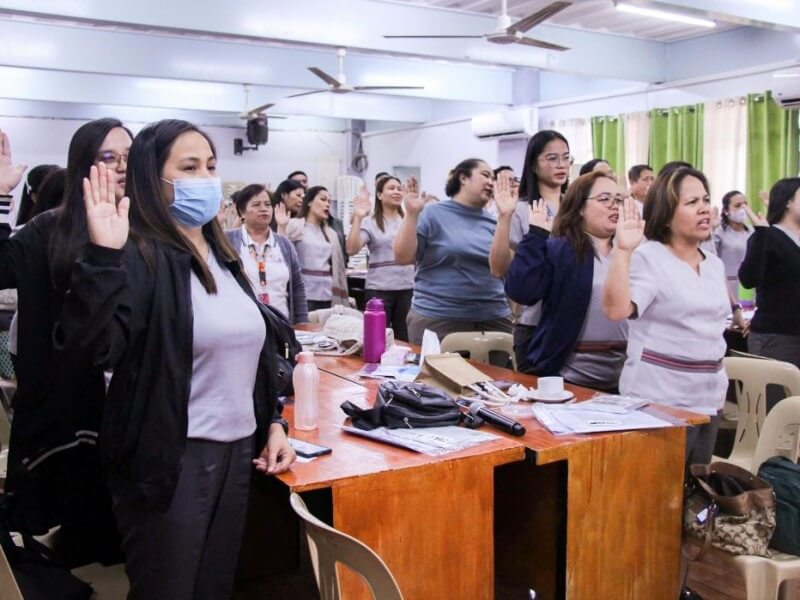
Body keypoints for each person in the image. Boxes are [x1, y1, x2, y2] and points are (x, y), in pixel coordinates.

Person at [55, 119, 296, 599]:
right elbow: (91, 349)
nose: (205, 178)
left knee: (215, 587)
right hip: (171, 457)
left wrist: (273, 422)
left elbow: (252, 355)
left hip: (238, 451)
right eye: (189, 167)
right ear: (153, 178)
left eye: (210, 166)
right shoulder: (138, 255)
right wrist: (102, 257)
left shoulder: (223, 256)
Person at [0, 120, 132, 567]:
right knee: (72, 544)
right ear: (82, 165)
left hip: (133, 416)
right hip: (65, 414)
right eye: (109, 157)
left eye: (129, 157)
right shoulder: (49, 230)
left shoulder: (149, 231)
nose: (122, 167)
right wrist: (1, 196)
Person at [603, 167, 745, 467]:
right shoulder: (649, 257)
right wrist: (622, 251)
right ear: (666, 214)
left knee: (697, 488)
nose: (704, 208)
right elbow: (616, 310)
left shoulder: (714, 264)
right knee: (659, 489)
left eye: (705, 199)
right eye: (692, 202)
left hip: (709, 397)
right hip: (660, 400)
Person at [504, 171, 627, 390]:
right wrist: (536, 236)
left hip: (626, 379)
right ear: (579, 208)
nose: (614, 205)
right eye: (604, 199)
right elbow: (522, 291)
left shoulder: (631, 251)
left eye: (618, 200)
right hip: (568, 378)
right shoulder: (560, 249)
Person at [395, 158, 512, 345]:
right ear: (463, 178)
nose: (491, 182)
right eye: (485, 175)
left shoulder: (494, 221)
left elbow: (502, 269)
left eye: (493, 178)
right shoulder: (432, 213)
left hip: (493, 317)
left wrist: (505, 216)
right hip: (439, 318)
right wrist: (411, 214)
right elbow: (402, 257)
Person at [489, 130, 571, 366]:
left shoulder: (578, 208)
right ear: (533, 165)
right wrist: (504, 216)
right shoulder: (521, 209)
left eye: (566, 158)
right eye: (552, 158)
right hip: (535, 323)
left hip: (575, 322)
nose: (561, 164)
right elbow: (498, 269)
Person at [739, 177, 800, 370]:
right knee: (777, 390)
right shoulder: (767, 236)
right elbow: (748, 279)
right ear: (787, 201)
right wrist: (761, 234)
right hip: (776, 337)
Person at [225, 183, 308, 324]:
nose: (264, 209)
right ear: (242, 212)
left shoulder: (284, 244)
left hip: (281, 324)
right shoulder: (228, 241)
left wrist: (302, 322)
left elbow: (297, 287)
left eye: (268, 205)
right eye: (256, 205)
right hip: (241, 324)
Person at [346, 176, 415, 341]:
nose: (397, 192)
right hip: (379, 290)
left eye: (399, 188)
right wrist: (358, 217)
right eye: (391, 188)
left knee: (404, 339)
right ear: (379, 195)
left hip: (407, 288)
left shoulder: (408, 220)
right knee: (376, 339)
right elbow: (351, 249)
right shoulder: (370, 222)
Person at [286, 185, 349, 311]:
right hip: (304, 292)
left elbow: (338, 266)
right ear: (309, 202)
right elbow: (284, 255)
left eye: (329, 201)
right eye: (323, 199)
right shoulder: (295, 225)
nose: (327, 204)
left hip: (328, 292)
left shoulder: (330, 233)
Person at [713, 190, 754, 299]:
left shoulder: (752, 231)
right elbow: (709, 254)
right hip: (727, 286)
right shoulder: (719, 231)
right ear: (726, 210)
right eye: (737, 205)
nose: (743, 209)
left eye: (745, 204)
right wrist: (711, 230)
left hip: (750, 287)